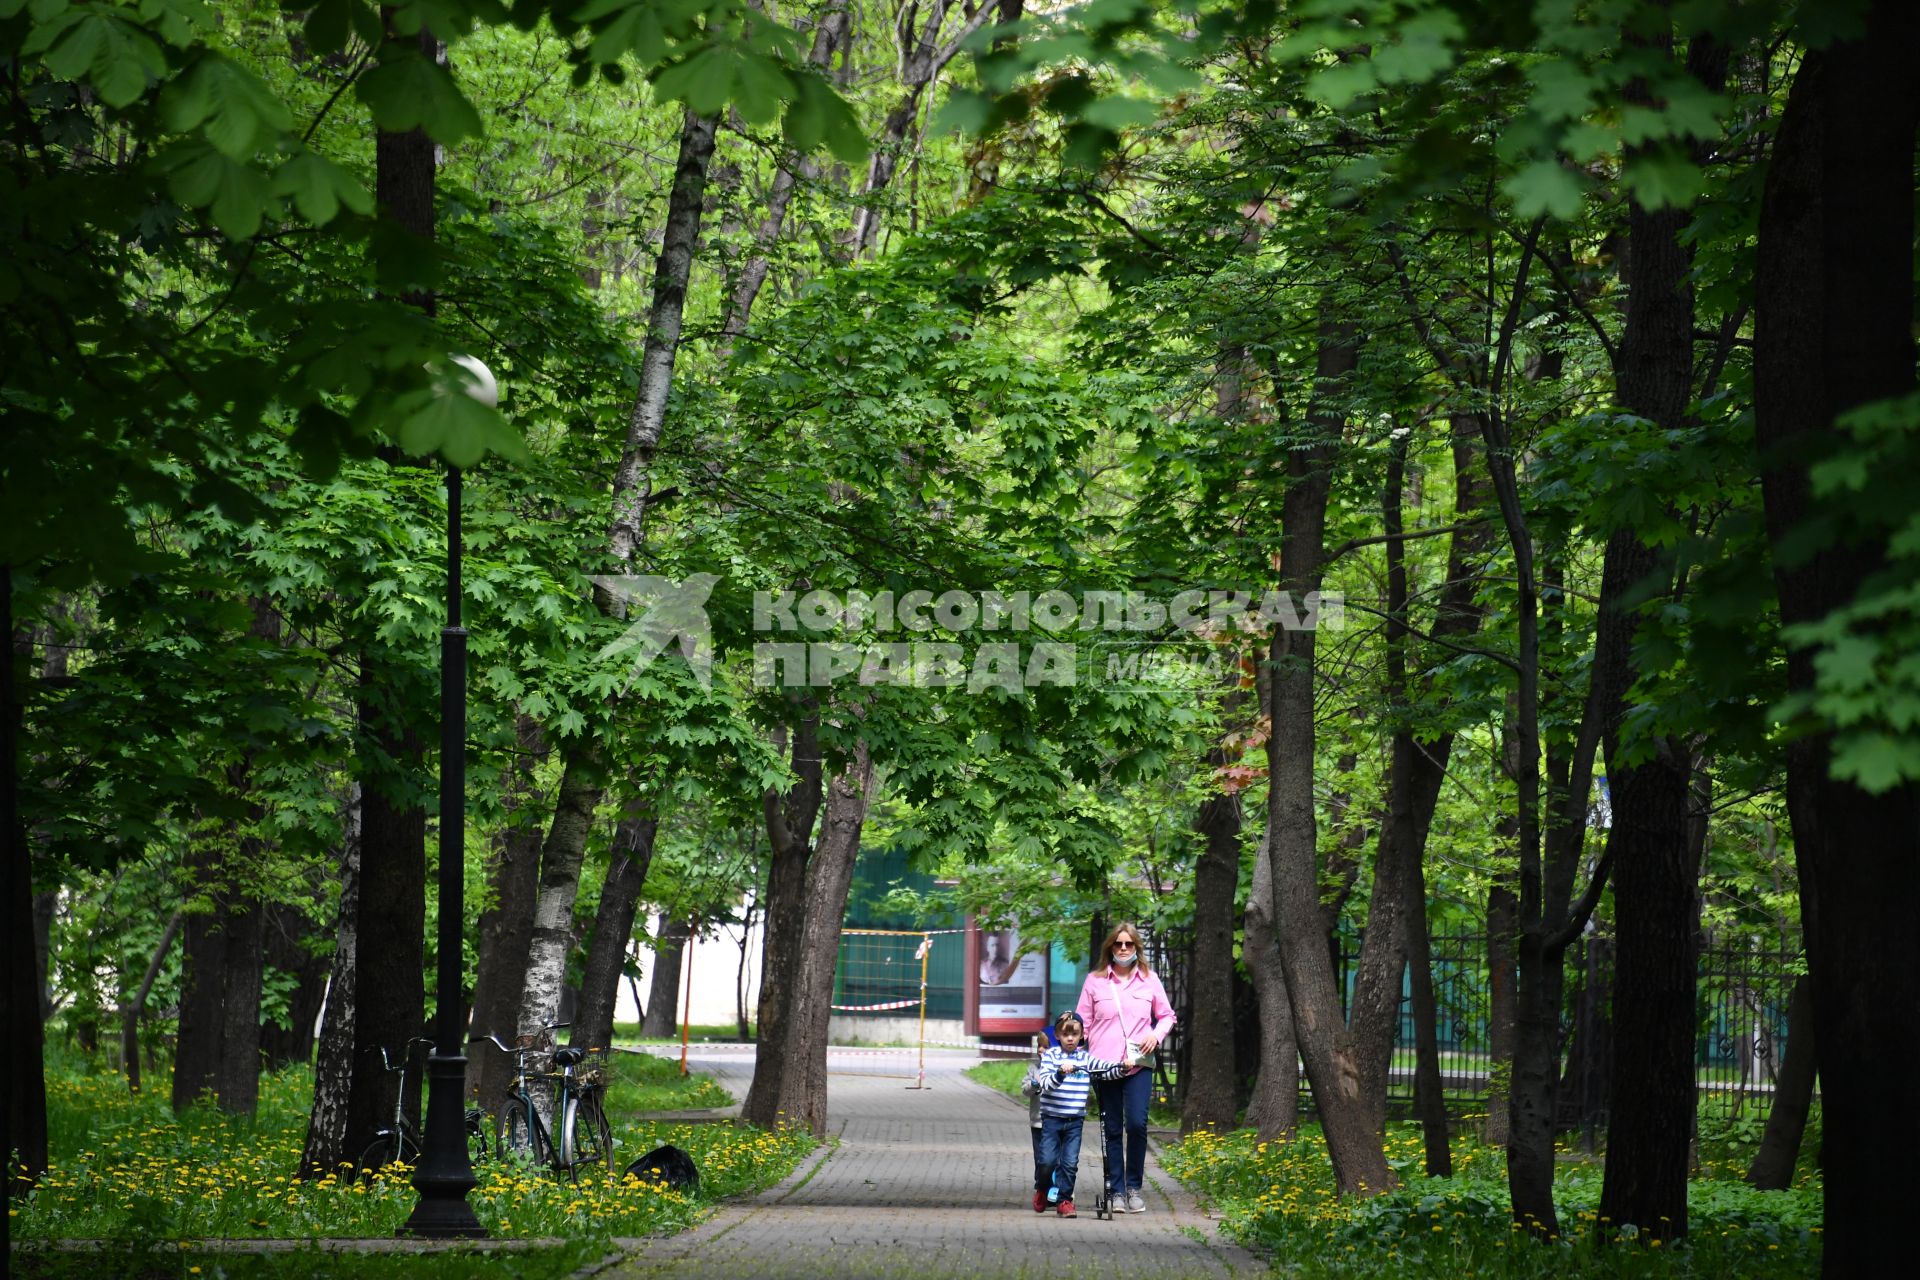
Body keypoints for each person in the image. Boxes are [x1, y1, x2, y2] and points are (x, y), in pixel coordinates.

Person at [1074, 923, 1175, 1214]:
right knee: (1113, 1128)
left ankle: (1134, 1187)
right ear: (1110, 948)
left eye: (1128, 944)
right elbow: (1083, 1024)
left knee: (1136, 1124)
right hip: (1105, 1066)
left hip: (1138, 1065)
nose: (1122, 949)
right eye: (1118, 944)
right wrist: (1072, 1050)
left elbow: (1167, 1016)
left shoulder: (1149, 979)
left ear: (1136, 948)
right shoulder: (1094, 981)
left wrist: (1155, 1035)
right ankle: (1116, 1191)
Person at [1024, 1011, 1127, 1218]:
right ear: (1058, 1036)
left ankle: (1064, 1201)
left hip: (1074, 1120)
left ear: (1081, 1036)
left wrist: (1122, 1067)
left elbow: (1105, 1070)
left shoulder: (1084, 1058)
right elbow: (1045, 1083)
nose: (1070, 1038)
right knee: (1047, 1162)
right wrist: (1060, 1074)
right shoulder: (1051, 1057)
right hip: (1051, 1118)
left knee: (1070, 1162)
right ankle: (1042, 1188)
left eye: (1075, 1034)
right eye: (1065, 1034)